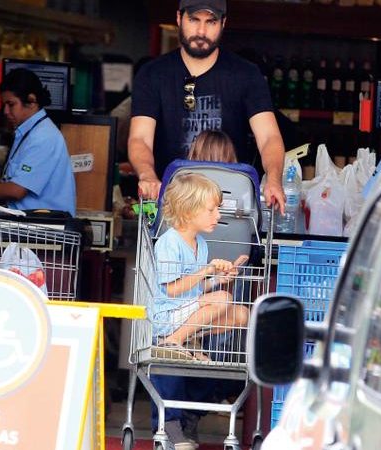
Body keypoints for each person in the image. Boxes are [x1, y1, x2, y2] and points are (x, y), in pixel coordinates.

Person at [128, 0, 285, 213]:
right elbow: (140, 138)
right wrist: (147, 176)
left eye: (210, 22)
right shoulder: (152, 74)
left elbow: (269, 137)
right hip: (170, 204)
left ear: (223, 23)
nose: (201, 31)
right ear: (178, 18)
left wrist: (273, 179)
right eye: (194, 20)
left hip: (228, 205)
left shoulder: (246, 74)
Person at [151, 172, 249, 450]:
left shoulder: (201, 244)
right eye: (211, 209)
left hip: (186, 311)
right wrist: (208, 273)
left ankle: (188, 340)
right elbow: (171, 289)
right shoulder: (169, 242)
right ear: (187, 210)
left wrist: (219, 278)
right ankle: (173, 342)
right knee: (223, 300)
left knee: (241, 314)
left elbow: (196, 289)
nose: (217, 215)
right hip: (167, 315)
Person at [0, 68, 76, 216]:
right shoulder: (28, 131)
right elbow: (14, 183)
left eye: (11, 104)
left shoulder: (44, 136)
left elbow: (16, 191)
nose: (5, 111)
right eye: (4, 105)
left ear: (31, 101)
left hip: (42, 228)